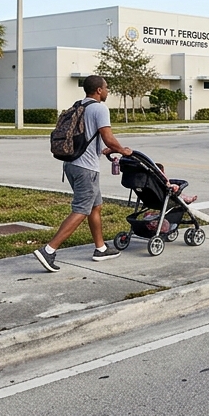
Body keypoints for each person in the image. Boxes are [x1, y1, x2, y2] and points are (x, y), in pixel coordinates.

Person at [34, 75, 133, 272]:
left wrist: (103, 151)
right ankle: (49, 250)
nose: (107, 91)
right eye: (106, 88)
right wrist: (122, 150)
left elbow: (89, 137)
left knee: (95, 207)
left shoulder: (79, 106)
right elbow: (108, 137)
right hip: (86, 169)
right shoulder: (99, 108)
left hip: (71, 164)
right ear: (98, 90)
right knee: (81, 209)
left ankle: (101, 248)